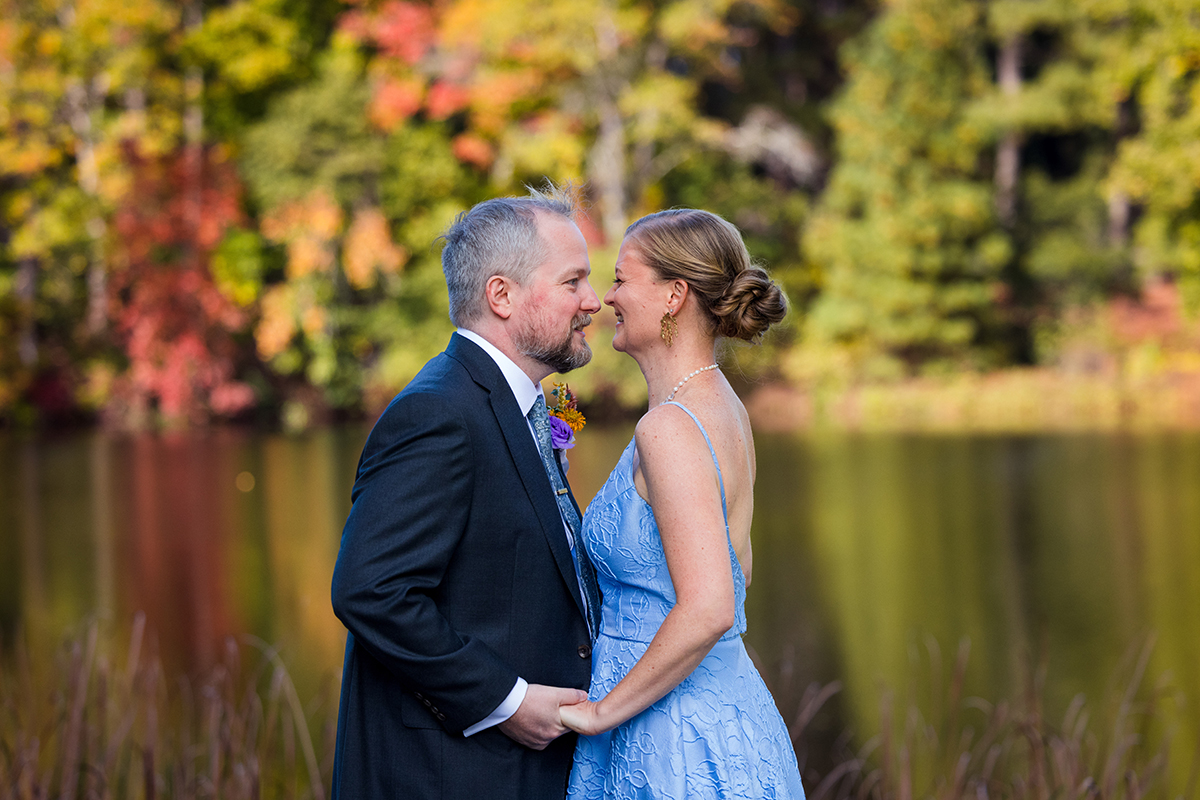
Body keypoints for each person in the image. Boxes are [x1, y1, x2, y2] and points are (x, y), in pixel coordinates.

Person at [330, 185, 603, 799]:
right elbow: (370, 590)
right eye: (572, 282)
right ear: (501, 295)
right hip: (449, 774)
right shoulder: (439, 413)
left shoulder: (513, 406)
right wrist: (507, 702)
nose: (593, 301)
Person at [559, 209, 806, 798]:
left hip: (671, 736)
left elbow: (713, 604)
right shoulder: (722, 407)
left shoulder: (669, 427)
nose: (605, 297)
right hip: (724, 708)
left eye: (621, 279)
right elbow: (738, 569)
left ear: (674, 295)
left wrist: (600, 713)